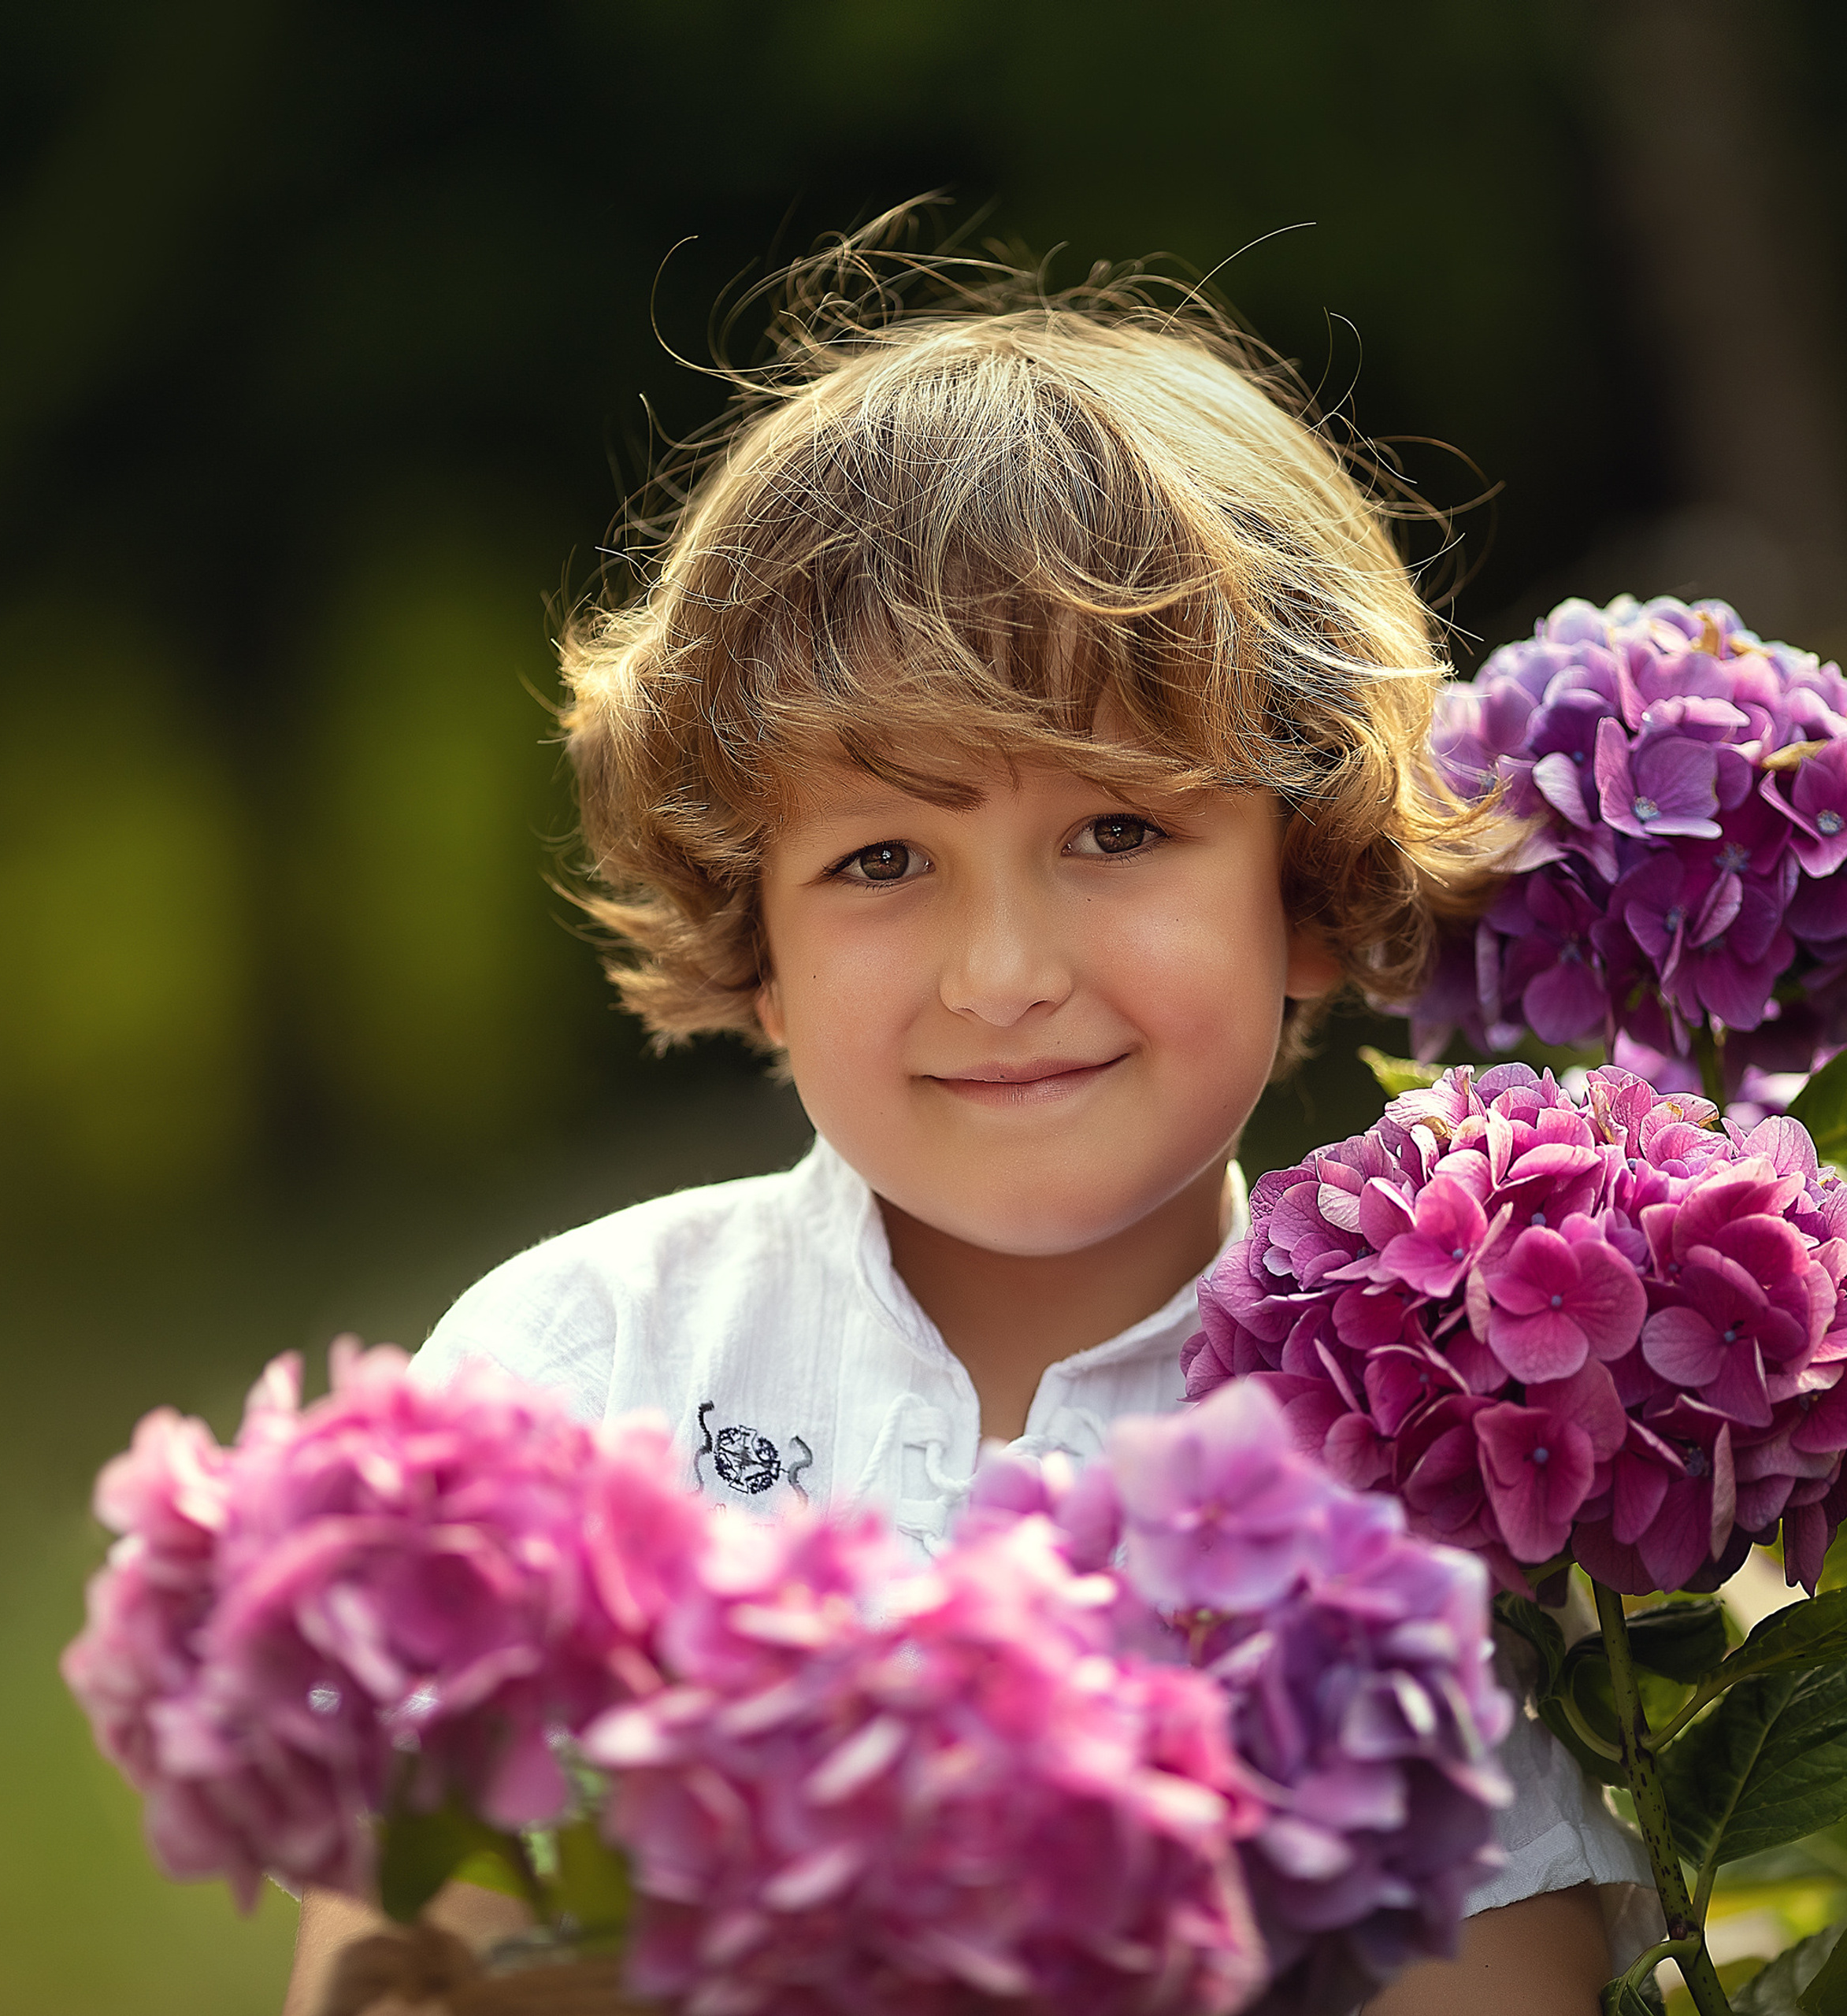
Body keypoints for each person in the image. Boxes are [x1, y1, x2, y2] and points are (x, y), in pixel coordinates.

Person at [283, 218, 1654, 2015]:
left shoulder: (1425, 1451)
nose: (1000, 968)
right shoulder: (570, 1367)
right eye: (878, 858)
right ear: (750, 938)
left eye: (1114, 830)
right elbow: (393, 1970)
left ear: (1304, 886)